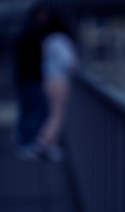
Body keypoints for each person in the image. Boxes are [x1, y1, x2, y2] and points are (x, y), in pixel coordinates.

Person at [35, 13, 77, 161]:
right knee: (57, 114)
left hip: (48, 79)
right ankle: (45, 143)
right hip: (59, 80)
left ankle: (45, 142)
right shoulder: (60, 40)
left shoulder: (48, 40)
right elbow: (68, 62)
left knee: (52, 113)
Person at [15, 4, 50, 159]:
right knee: (37, 111)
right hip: (31, 79)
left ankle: (25, 142)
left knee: (27, 111)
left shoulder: (26, 34)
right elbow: (36, 60)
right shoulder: (34, 35)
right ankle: (28, 143)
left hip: (25, 79)